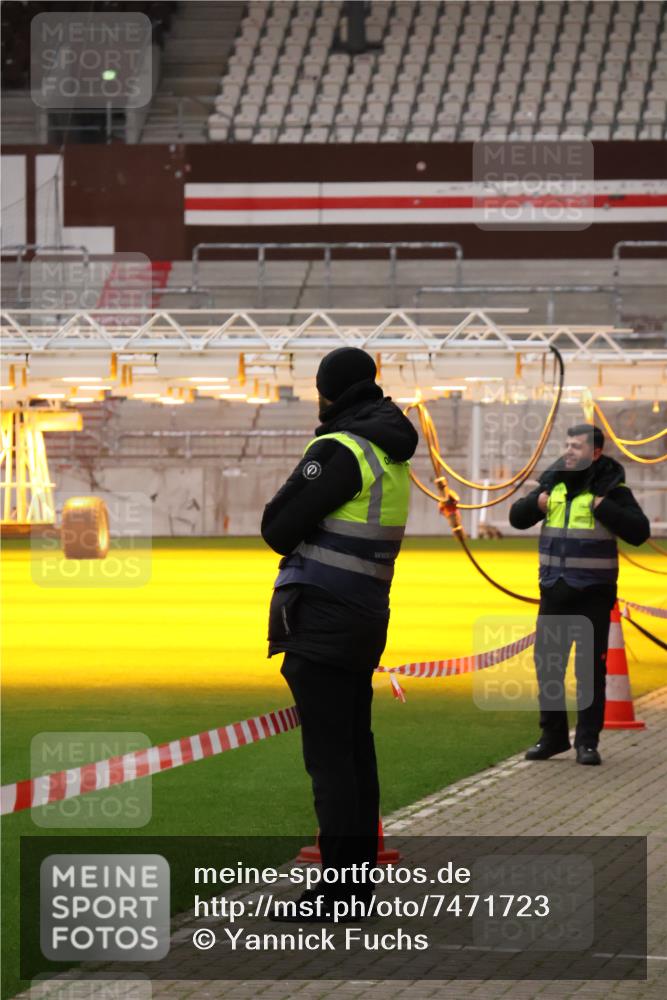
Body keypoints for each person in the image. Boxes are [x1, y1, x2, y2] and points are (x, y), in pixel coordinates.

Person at [261, 347, 418, 919]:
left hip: (323, 618)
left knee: (331, 762)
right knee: (355, 752)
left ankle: (336, 896)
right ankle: (356, 889)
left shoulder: (340, 447)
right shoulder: (389, 449)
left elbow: (277, 527)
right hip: (363, 614)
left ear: (329, 391)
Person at [509, 423, 650, 766]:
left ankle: (587, 742)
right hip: (555, 589)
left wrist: (606, 508)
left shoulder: (612, 489)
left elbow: (639, 531)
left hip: (593, 593)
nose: (569, 451)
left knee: (589, 670)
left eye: (577, 447)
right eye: (568, 445)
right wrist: (536, 505)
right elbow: (516, 518)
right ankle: (553, 737)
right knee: (549, 667)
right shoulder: (553, 483)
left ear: (596, 453)